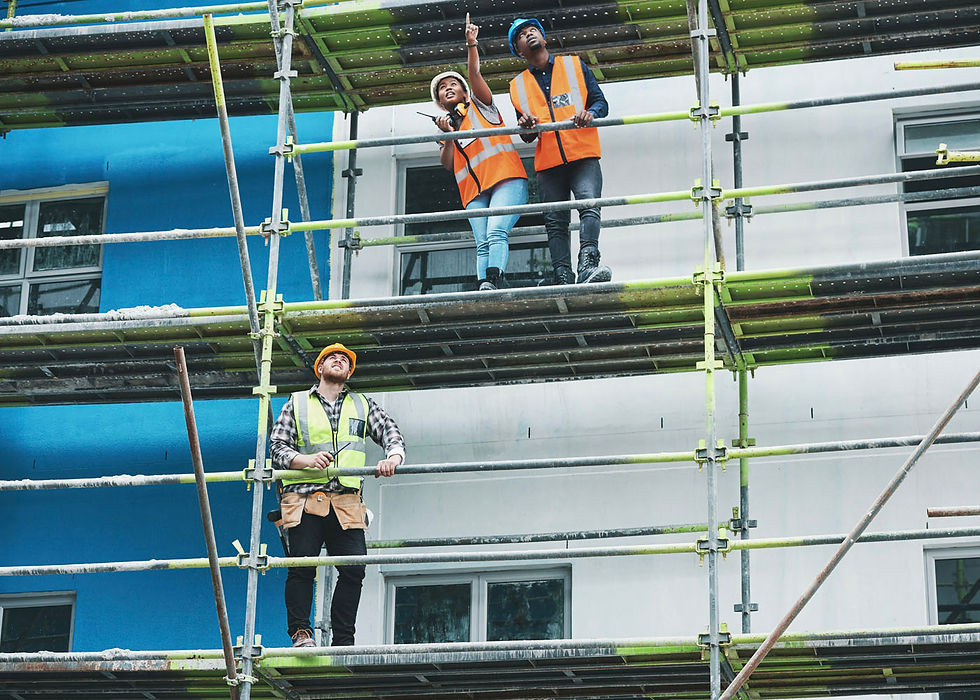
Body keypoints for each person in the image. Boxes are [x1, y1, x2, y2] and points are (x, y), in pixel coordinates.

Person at [269, 343, 405, 648]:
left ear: (349, 372)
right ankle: (301, 633)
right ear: (320, 368)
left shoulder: (362, 404)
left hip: (346, 501)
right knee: (302, 566)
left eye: (345, 359)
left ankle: (343, 640)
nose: (339, 360)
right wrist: (306, 460)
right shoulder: (298, 403)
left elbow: (391, 433)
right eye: (332, 357)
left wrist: (392, 459)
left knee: (354, 569)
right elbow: (277, 447)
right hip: (305, 498)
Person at [507, 18, 612, 286]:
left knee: (588, 206)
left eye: (532, 30)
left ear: (544, 38)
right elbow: (527, 136)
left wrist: (590, 113)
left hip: (583, 152)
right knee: (555, 221)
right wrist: (526, 127)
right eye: (521, 34)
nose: (528, 33)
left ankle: (588, 265)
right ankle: (562, 275)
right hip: (549, 161)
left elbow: (600, 103)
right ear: (519, 50)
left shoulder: (574, 65)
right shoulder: (517, 86)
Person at [430, 13, 528, 291]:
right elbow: (448, 165)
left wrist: (471, 45)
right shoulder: (445, 127)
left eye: (453, 85)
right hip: (473, 192)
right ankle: (484, 285)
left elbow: (475, 75)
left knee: (497, 231)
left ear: (464, 92)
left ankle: (494, 280)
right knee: (481, 241)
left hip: (506, 179)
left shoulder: (481, 106)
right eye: (442, 89)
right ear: (439, 102)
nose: (448, 89)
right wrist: (449, 137)